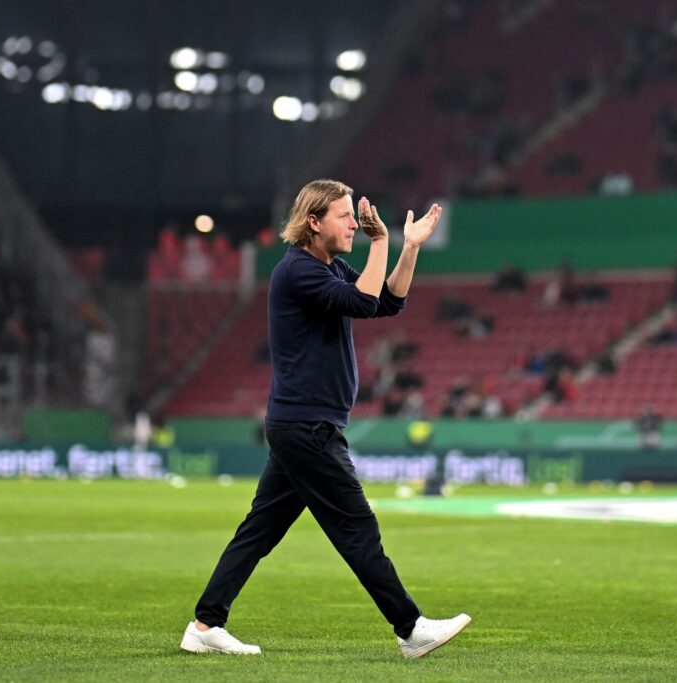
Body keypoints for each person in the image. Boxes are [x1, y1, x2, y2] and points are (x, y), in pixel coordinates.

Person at [181, 180, 470, 658]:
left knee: (259, 530)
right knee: (357, 529)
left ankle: (206, 623)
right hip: (308, 427)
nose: (354, 223)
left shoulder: (326, 267)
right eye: (344, 215)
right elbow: (361, 301)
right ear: (313, 222)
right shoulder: (298, 271)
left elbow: (386, 302)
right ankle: (410, 627)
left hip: (302, 425)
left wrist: (408, 248)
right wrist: (382, 241)